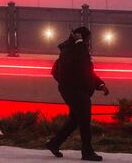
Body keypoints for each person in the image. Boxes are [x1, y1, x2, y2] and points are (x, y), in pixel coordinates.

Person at [46, 26, 109, 161]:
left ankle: (54, 143)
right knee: (84, 120)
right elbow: (78, 63)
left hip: (77, 90)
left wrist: (100, 84)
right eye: (86, 38)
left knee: (75, 120)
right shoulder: (70, 50)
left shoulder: (77, 50)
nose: (88, 41)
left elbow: (86, 70)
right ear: (80, 37)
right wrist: (67, 84)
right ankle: (87, 152)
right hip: (74, 91)